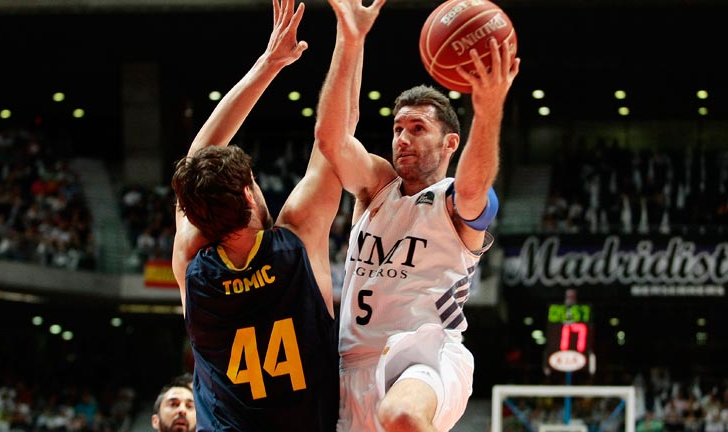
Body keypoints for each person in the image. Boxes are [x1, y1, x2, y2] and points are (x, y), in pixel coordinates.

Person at [316, 0, 520, 430]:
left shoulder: (454, 201)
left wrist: (488, 109)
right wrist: (351, 40)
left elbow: (472, 190)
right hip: (352, 367)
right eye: (397, 129)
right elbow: (331, 140)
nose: (402, 139)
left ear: (450, 143)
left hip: (427, 355)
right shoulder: (376, 187)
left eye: (417, 129)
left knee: (403, 414)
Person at [170, 0, 345, 430]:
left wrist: (268, 65)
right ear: (250, 195)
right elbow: (335, 139)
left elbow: (196, 160)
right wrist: (351, 36)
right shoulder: (298, 241)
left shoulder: (191, 263)